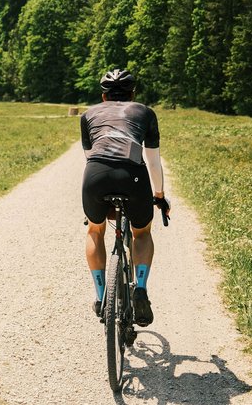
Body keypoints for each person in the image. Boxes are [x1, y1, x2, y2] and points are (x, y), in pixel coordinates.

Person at [80, 69, 170, 326]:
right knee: (141, 233)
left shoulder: (88, 115)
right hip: (133, 175)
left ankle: (101, 296)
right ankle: (140, 288)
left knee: (95, 231)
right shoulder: (145, 112)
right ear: (133, 95)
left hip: (96, 175)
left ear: (103, 96)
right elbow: (153, 162)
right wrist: (159, 196)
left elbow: (89, 156)